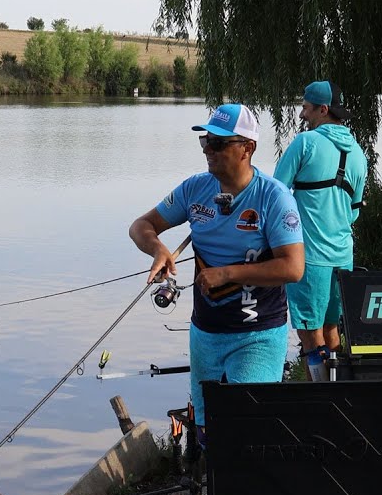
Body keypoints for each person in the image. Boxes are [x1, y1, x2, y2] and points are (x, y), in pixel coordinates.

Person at [129, 103, 305, 434]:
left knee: (247, 428)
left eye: (218, 143)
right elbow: (141, 226)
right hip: (206, 333)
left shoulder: (274, 198)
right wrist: (158, 249)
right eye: (205, 141)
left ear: (247, 148)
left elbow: (293, 268)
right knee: (207, 430)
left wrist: (227, 274)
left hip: (257, 333)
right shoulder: (195, 189)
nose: (208, 150)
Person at [274, 81, 368, 381]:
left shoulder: (305, 143)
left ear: (323, 109)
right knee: (331, 328)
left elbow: (275, 193)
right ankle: (338, 390)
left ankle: (320, 393)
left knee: (309, 333)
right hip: (343, 257)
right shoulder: (359, 154)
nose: (302, 114)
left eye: (305, 108)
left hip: (309, 257)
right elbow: (354, 211)